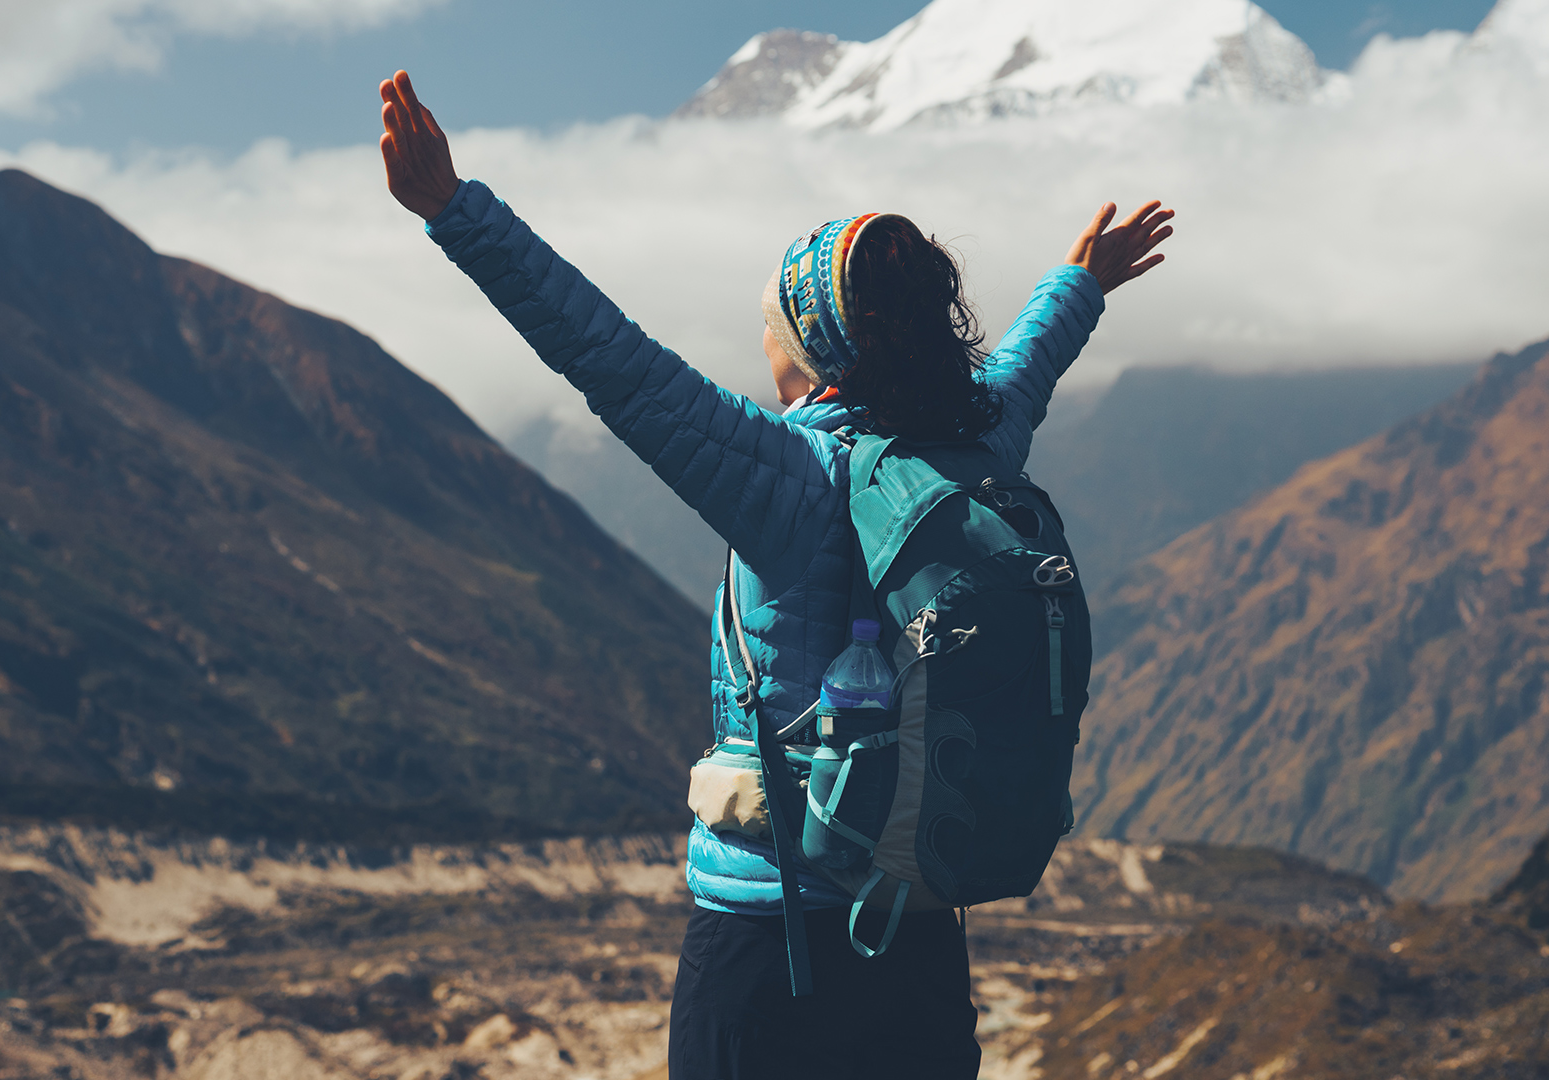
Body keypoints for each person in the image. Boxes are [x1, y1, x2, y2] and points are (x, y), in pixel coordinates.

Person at [378, 69, 1173, 1079]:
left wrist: (455, 212)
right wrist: (1081, 285)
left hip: (770, 944)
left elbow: (607, 356)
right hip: (916, 922)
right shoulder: (973, 455)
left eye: (771, 327)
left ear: (807, 347)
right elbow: (1024, 368)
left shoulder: (779, 475)